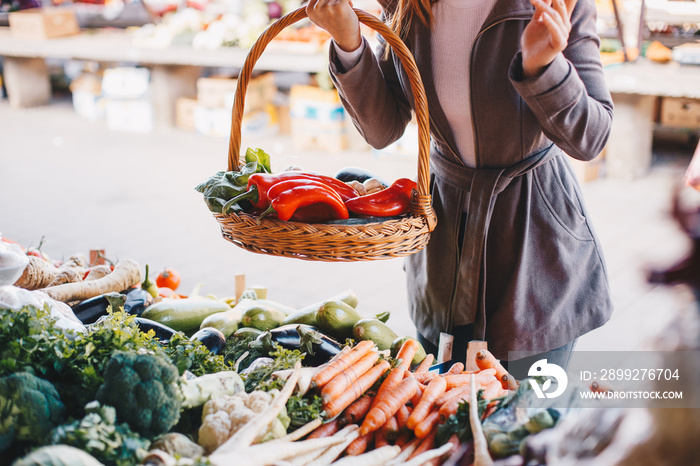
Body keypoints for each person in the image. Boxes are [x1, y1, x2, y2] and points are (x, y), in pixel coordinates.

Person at [306, 0, 614, 377]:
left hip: (535, 249)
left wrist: (544, 67)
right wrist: (349, 42)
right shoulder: (406, 5)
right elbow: (383, 128)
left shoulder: (556, 5)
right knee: (440, 411)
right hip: (445, 248)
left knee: (523, 422)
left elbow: (591, 138)